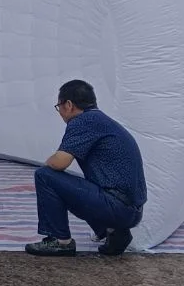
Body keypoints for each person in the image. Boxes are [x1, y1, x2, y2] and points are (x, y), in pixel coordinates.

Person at [25, 80, 147, 258]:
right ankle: (114, 232)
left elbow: (59, 162)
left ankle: (60, 242)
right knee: (81, 185)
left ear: (68, 105)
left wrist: (48, 162)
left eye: (59, 106)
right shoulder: (101, 120)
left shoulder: (83, 121)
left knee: (46, 176)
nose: (59, 112)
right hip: (132, 210)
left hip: (117, 206)